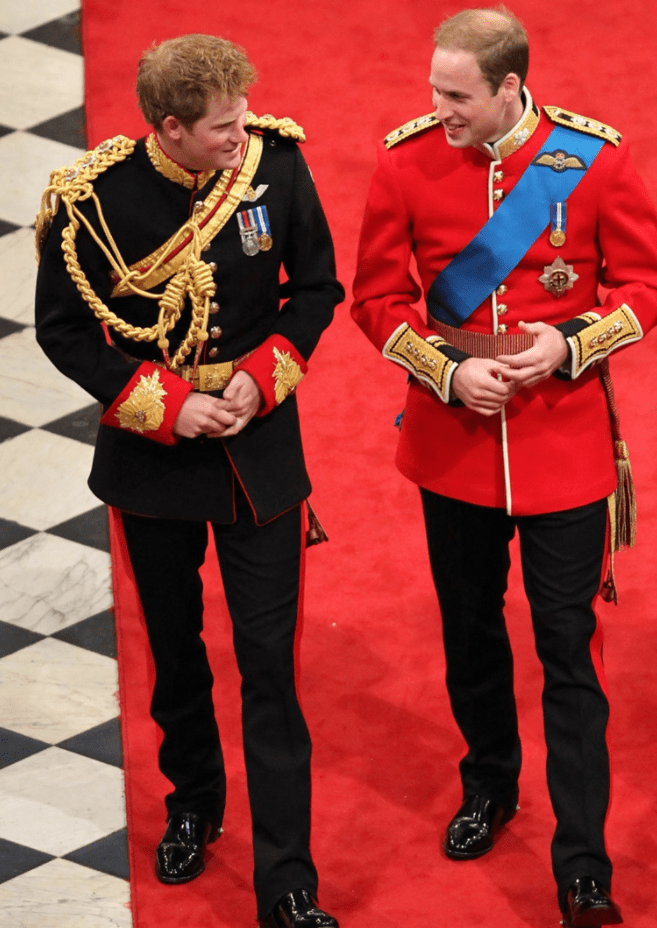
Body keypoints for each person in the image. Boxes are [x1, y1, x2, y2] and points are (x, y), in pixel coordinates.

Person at [352, 7, 657, 926]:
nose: (439, 109)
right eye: (434, 92)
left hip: (562, 445)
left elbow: (649, 288)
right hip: (453, 447)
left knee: (568, 652)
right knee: (470, 632)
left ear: (510, 88)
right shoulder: (406, 159)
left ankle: (583, 866)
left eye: (456, 96)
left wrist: (568, 346)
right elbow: (375, 298)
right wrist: (447, 369)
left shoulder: (593, 161)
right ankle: (490, 781)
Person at [35, 33, 343, 928]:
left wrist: (269, 369)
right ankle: (193, 805)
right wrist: (163, 405)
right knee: (175, 653)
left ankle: (289, 884)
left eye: (244, 117)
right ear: (167, 128)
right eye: (220, 127)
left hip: (258, 455)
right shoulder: (90, 203)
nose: (240, 137)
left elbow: (315, 288)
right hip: (154, 461)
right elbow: (64, 330)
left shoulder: (274, 165)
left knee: (269, 667)